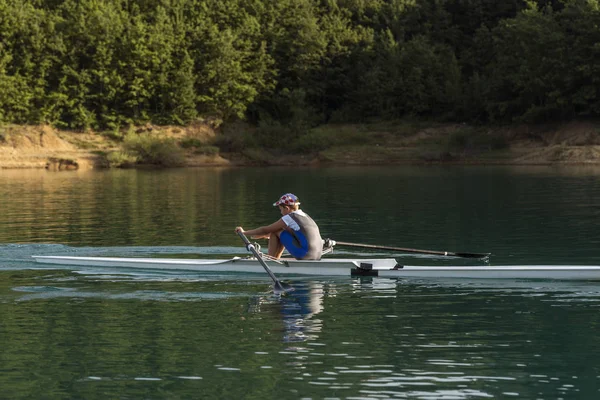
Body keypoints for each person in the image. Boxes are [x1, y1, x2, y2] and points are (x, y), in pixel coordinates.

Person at [235, 193, 322, 260]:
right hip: (317, 255)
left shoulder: (290, 217)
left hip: (304, 254)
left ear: (287, 208)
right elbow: (288, 234)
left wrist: (244, 232)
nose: (280, 212)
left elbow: (266, 229)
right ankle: (275, 259)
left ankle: (271, 261)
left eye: (280, 209)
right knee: (279, 231)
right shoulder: (306, 216)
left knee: (275, 231)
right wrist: (260, 236)